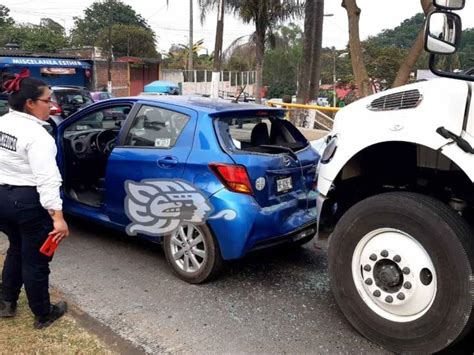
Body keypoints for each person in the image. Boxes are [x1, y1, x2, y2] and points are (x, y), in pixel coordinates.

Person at [0, 69, 69, 329]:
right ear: (29, 103)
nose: (51, 106)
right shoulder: (38, 136)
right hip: (27, 201)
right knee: (36, 259)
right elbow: (48, 180)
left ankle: (7, 302)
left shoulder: (3, 124)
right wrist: (58, 218)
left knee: (17, 248)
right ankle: (43, 313)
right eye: (47, 101)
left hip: (2, 199)